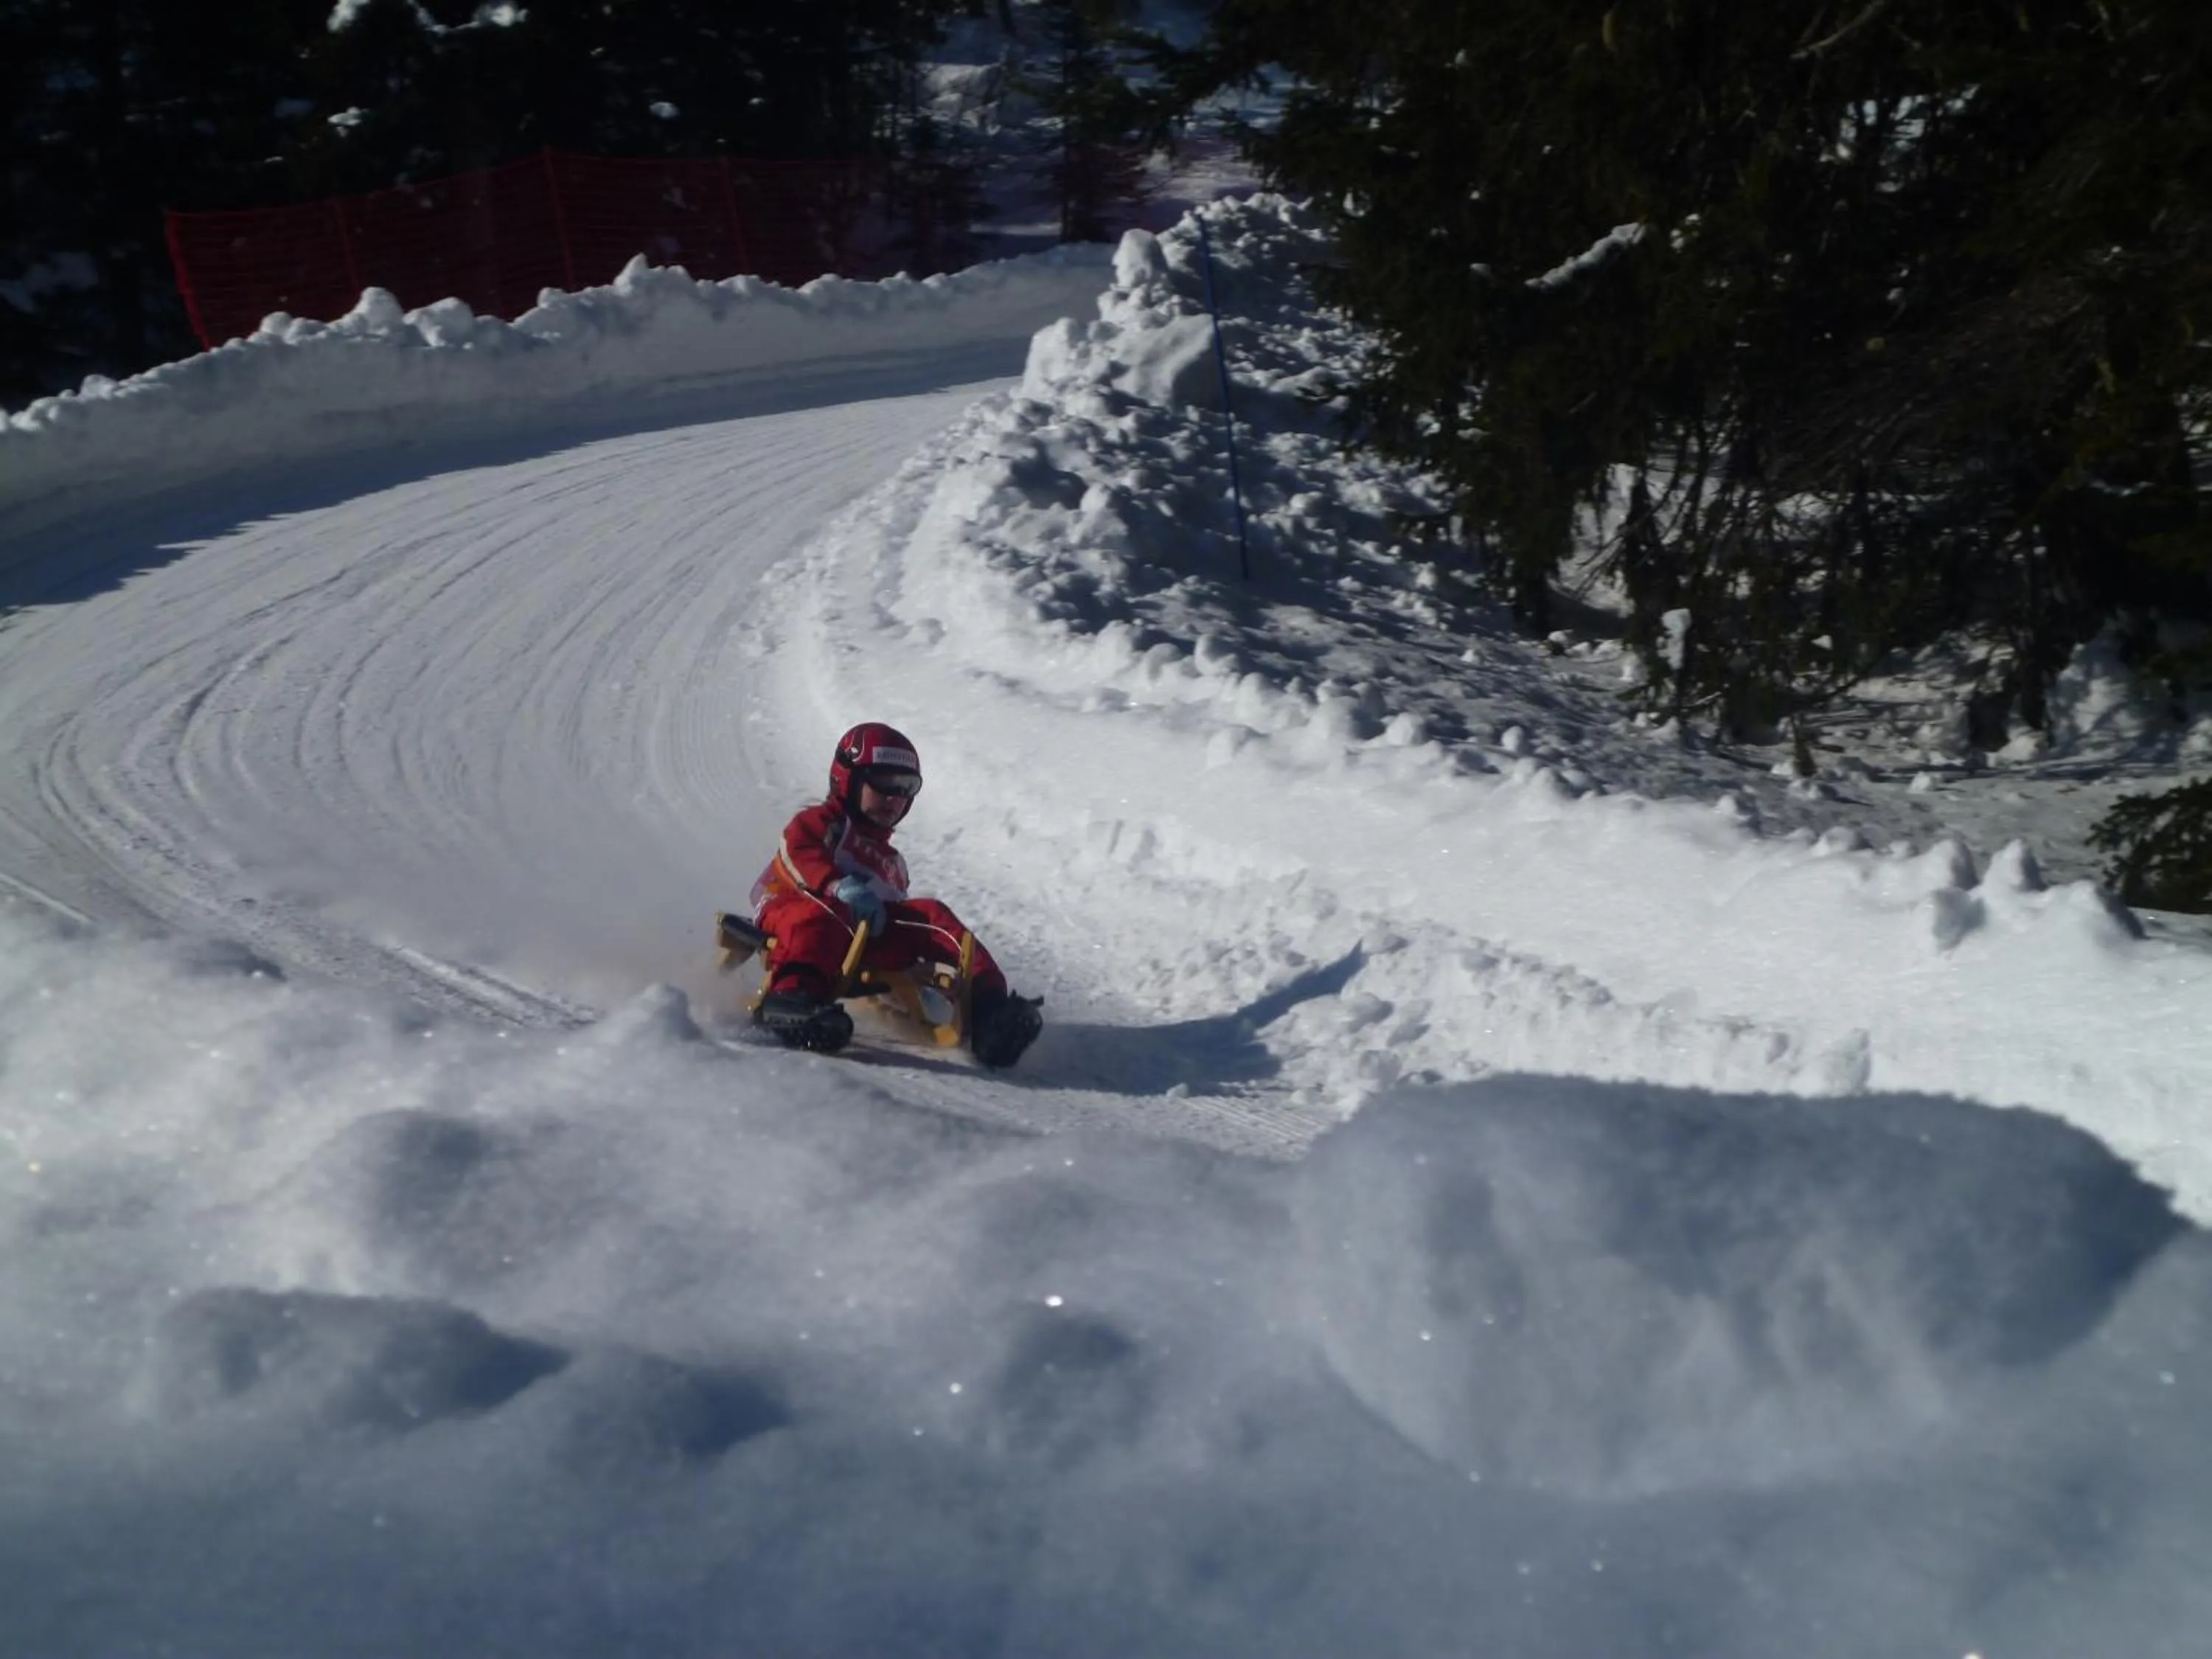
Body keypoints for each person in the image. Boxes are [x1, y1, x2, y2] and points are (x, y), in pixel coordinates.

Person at [749, 721, 1044, 1067]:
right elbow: (797, 851)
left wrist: (926, 981)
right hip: (794, 909)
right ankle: (793, 999)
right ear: (848, 779)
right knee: (820, 916)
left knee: (932, 916)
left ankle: (989, 1008)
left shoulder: (893, 862)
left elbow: (897, 921)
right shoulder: (825, 822)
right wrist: (836, 884)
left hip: (864, 939)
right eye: (884, 784)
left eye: (906, 787)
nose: (895, 798)